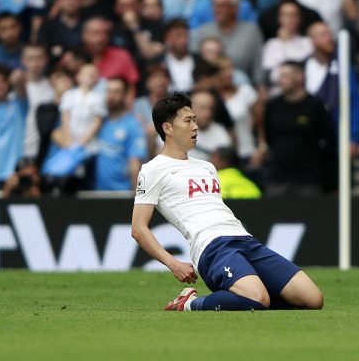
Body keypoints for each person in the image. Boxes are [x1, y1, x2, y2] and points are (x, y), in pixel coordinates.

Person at [131, 92, 323, 311]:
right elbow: (138, 228)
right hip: (212, 248)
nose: (195, 127)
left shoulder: (207, 167)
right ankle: (190, 303)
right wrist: (173, 263)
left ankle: (249, 296)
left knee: (312, 299)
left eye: (194, 119)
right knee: (257, 298)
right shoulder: (152, 169)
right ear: (168, 128)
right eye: (188, 120)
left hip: (245, 239)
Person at [255, 61, 335, 196]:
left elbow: (329, 140)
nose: (281, 81)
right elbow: (268, 136)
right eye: (280, 76)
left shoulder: (315, 106)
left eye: (285, 76)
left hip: (309, 179)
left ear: (300, 77)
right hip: (277, 177)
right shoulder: (273, 106)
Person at [305, 21, 359, 156]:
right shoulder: (303, 67)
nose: (329, 38)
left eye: (330, 34)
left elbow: (354, 102)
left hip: (336, 135)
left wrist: (354, 137)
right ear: (312, 40)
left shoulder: (344, 68)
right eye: (323, 34)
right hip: (309, 137)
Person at [192, 0, 264, 87]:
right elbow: (194, 61)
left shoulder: (251, 31)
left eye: (221, 6)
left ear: (234, 8)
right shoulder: (204, 30)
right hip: (209, 87)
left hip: (242, 86)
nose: (216, 10)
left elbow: (258, 62)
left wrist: (260, 85)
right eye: (214, 5)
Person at [95, 78, 148, 191]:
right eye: (108, 91)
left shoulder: (133, 124)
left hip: (122, 193)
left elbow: (135, 164)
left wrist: (136, 199)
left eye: (116, 91)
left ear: (125, 95)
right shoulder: (98, 122)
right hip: (96, 193)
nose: (111, 95)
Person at [261, 1, 314, 96]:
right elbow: (269, 76)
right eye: (286, 15)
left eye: (294, 15)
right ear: (280, 19)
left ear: (299, 19)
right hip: (277, 95)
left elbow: (306, 72)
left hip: (302, 94)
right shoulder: (271, 45)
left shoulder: (308, 43)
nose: (290, 18)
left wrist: (286, 45)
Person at [20, 44, 53, 161]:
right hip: (18, 151)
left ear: (46, 60)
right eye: (30, 58)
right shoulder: (15, 87)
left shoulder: (53, 86)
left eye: (39, 57)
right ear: (23, 60)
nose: (35, 62)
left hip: (45, 152)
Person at [0, 65, 27, 188]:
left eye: (3, 81)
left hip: (12, 176)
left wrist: (18, 79)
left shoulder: (18, 105)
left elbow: (21, 89)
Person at [187, 89, 233, 162]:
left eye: (210, 108)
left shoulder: (220, 133)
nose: (207, 113)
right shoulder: (175, 132)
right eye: (202, 108)